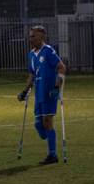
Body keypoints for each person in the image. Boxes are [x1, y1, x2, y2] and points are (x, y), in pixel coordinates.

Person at [17, 25, 65, 164]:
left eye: (33, 36)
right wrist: (24, 91)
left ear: (42, 37)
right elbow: (32, 74)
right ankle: (50, 138)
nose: (30, 38)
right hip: (39, 93)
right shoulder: (31, 54)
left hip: (50, 92)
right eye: (30, 36)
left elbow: (62, 67)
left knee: (47, 122)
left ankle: (52, 155)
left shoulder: (48, 51)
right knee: (38, 124)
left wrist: (57, 87)